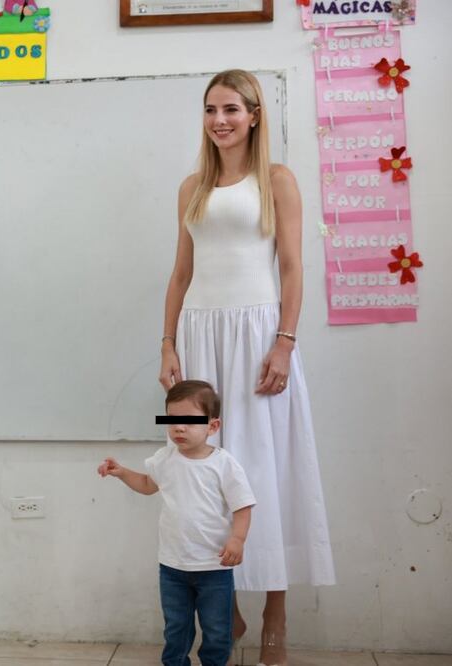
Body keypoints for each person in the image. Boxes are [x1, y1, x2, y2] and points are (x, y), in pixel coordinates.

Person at [158, 69, 335, 664]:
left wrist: (284, 341)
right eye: (211, 110)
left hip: (258, 334)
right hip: (199, 335)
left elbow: (291, 267)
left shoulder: (277, 180)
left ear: (254, 115)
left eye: (231, 109)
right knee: (203, 468)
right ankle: (225, 606)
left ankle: (275, 613)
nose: (220, 120)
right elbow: (181, 272)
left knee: (264, 465)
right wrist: (168, 344)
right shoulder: (192, 187)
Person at [99, 380, 255, 666]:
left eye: (189, 421)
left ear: (212, 426)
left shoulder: (224, 464)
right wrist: (122, 472)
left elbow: (243, 505)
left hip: (213, 567)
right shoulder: (164, 459)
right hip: (172, 566)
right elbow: (148, 485)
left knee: (217, 629)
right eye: (172, 420)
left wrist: (237, 539)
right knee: (176, 628)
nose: (179, 428)